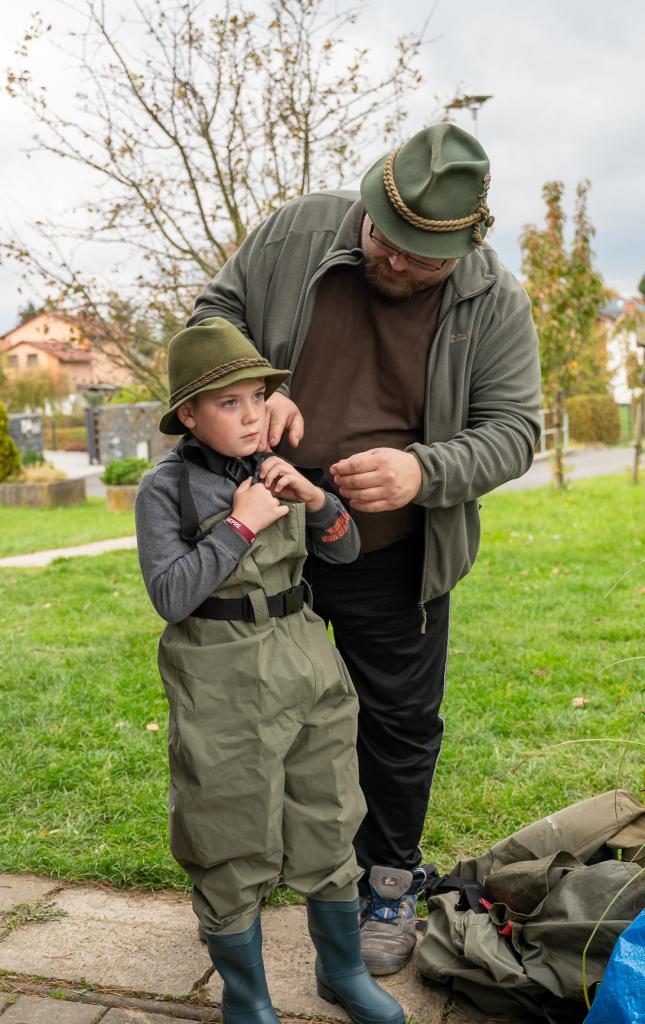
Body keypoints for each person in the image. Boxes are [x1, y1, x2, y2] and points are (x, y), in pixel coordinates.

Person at [186, 123, 542, 975]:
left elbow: (514, 430)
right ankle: (242, 892)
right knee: (247, 719)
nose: (393, 260)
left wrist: (423, 472)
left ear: (467, 242)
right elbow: (212, 319)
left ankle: (386, 882)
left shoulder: (494, 300)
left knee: (395, 725)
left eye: (421, 257)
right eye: (385, 238)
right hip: (263, 542)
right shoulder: (297, 231)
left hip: (394, 549)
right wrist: (255, 386)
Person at [135, 317, 405, 1024]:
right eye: (229, 403)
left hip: (304, 656)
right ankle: (246, 998)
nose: (252, 415)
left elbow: (343, 551)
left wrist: (314, 501)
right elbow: (169, 595)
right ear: (189, 414)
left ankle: (343, 972)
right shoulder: (165, 488)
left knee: (330, 812)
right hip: (219, 674)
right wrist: (240, 525)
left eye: (257, 397)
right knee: (228, 826)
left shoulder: (275, 466)